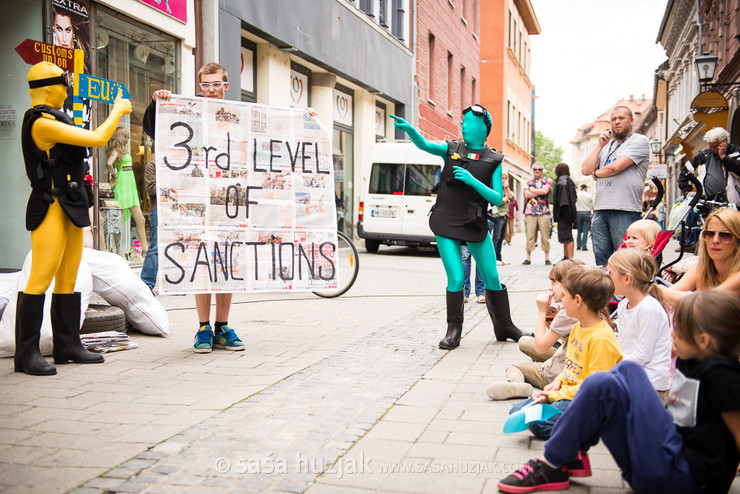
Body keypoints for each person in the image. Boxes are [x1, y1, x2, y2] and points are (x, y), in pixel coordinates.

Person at [497, 290, 740, 494]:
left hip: (683, 479)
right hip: (670, 452)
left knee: (600, 384)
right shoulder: (693, 358)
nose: (672, 334)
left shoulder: (722, 375)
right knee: (627, 369)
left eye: (679, 330)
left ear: (704, 341)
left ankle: (553, 462)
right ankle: (570, 451)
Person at [16, 62, 131, 375]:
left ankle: (67, 344)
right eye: (64, 84)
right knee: (41, 276)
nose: (67, 90)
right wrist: (117, 110)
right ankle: (26, 353)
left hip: (71, 203)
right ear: (50, 87)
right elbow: (94, 139)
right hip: (51, 205)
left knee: (68, 275)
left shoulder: (55, 117)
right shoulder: (40, 122)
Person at [391, 105, 525, 348]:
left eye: (469, 123)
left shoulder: (494, 159)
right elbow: (424, 145)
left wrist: (473, 181)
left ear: (483, 128)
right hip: (445, 220)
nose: (463, 126)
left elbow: (496, 198)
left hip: (474, 223)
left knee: (492, 276)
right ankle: (454, 330)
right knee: (455, 277)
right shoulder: (451, 148)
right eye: (462, 123)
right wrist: (411, 130)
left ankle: (504, 326)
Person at [143, 62, 245, 354]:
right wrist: (156, 103)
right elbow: (156, 130)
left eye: (216, 84)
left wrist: (305, 119)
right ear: (199, 86)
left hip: (229, 202)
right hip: (197, 201)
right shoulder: (187, 112)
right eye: (205, 85)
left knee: (227, 263)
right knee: (202, 263)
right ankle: (203, 327)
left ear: (226, 86)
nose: (210, 90)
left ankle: (222, 327)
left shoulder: (238, 115)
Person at [506, 265, 622, 439]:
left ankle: (593, 425)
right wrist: (558, 382)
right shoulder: (578, 327)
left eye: (565, 296)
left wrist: (553, 396)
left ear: (578, 300)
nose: (561, 301)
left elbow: (593, 388)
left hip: (588, 402)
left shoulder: (601, 339)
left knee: (538, 424)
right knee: (517, 411)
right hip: (568, 393)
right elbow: (571, 366)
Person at [486, 259, 582, 400]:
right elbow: (569, 340)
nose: (550, 287)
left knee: (515, 366)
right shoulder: (586, 307)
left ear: (568, 284)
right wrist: (553, 327)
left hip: (558, 372)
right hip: (569, 360)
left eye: (554, 282)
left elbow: (540, 346)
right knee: (524, 341)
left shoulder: (568, 311)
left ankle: (517, 384)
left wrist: (542, 312)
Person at [581, 106, 650, 266]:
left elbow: (615, 167)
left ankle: (626, 291)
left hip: (624, 209)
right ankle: (609, 291)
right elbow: (585, 169)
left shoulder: (639, 141)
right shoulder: (606, 146)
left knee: (625, 261)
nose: (617, 122)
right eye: (613, 119)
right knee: (602, 260)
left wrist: (597, 173)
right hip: (600, 209)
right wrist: (599, 145)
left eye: (621, 118)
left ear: (632, 121)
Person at [607, 249, 672, 404]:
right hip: (628, 377)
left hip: (650, 386)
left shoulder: (649, 308)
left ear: (627, 279)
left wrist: (612, 368)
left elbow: (642, 355)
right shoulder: (623, 305)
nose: (607, 277)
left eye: (610, 273)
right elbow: (624, 344)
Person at [660, 208, 740, 306]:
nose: (715, 240)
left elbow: (707, 302)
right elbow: (672, 292)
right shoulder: (702, 268)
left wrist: (660, 290)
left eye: (725, 235)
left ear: (738, 241)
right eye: (709, 234)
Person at [105, 127, 149, 257]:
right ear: (121, 137)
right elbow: (109, 163)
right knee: (119, 221)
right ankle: (121, 253)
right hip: (122, 184)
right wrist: (114, 174)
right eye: (127, 135)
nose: (129, 137)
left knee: (140, 219)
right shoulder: (116, 151)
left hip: (130, 184)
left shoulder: (124, 151)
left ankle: (145, 249)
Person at [678, 127, 740, 202]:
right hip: (708, 203)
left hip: (732, 202)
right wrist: (687, 191)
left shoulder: (735, 153)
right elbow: (684, 173)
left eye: (715, 146)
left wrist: (723, 157)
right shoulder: (703, 155)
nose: (712, 149)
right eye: (710, 146)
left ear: (724, 142)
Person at [523, 162, 552, 265]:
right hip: (530, 212)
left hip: (544, 212)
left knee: (545, 235)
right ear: (533, 170)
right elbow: (526, 195)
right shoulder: (528, 181)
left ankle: (547, 258)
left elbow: (545, 192)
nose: (537, 171)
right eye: (535, 169)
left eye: (539, 169)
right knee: (530, 235)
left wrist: (533, 190)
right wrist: (539, 191)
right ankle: (528, 258)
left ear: (542, 170)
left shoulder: (547, 180)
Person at [552, 163, 577, 261]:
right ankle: (566, 258)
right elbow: (575, 198)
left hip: (564, 213)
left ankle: (570, 260)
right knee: (566, 236)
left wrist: (561, 215)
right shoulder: (568, 180)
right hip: (569, 212)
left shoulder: (561, 181)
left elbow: (563, 201)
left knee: (567, 237)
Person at [141, 157, 158, 291]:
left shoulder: (179, 165)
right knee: (156, 248)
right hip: (158, 210)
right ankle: (146, 284)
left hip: (176, 211)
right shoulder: (152, 165)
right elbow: (151, 189)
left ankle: (174, 283)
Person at [492, 172, 513, 265]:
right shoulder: (496, 187)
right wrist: (505, 199)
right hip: (497, 215)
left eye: (505, 178)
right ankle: (494, 258)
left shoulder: (505, 188)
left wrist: (507, 189)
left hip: (505, 215)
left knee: (501, 238)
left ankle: (499, 258)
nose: (504, 180)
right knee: (496, 237)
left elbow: (512, 198)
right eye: (502, 178)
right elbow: (498, 201)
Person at [575, 184, 593, 251]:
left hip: (578, 212)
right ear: (585, 188)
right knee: (585, 230)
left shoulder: (577, 195)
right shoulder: (589, 195)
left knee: (579, 230)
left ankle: (578, 245)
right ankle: (584, 246)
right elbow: (593, 205)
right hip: (586, 212)